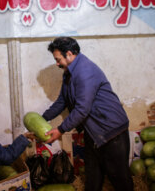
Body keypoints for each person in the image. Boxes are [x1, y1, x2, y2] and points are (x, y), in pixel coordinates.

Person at [42, 37, 133, 191]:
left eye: (58, 59)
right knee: (93, 175)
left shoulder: (85, 71)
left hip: (111, 131)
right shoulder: (69, 73)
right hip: (94, 132)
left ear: (69, 54)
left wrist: (60, 130)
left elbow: (82, 109)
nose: (56, 63)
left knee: (119, 178)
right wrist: (42, 118)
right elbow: (62, 101)